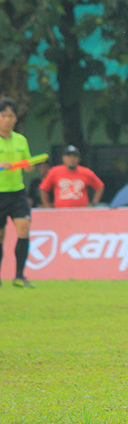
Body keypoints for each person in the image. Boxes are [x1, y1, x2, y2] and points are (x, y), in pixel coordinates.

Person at [0, 97, 36, 288]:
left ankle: (20, 276)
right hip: (0, 193)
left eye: (11, 116)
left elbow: (28, 165)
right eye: (4, 115)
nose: (7, 119)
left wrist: (29, 167)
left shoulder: (21, 140)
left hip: (17, 193)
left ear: (15, 119)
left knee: (24, 229)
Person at [39, 145, 104, 207]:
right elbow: (43, 189)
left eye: (74, 156)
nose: (71, 159)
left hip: (81, 212)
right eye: (69, 156)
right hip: (61, 212)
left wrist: (93, 204)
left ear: (79, 159)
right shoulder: (54, 171)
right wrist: (47, 207)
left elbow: (100, 187)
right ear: (63, 158)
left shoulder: (86, 172)